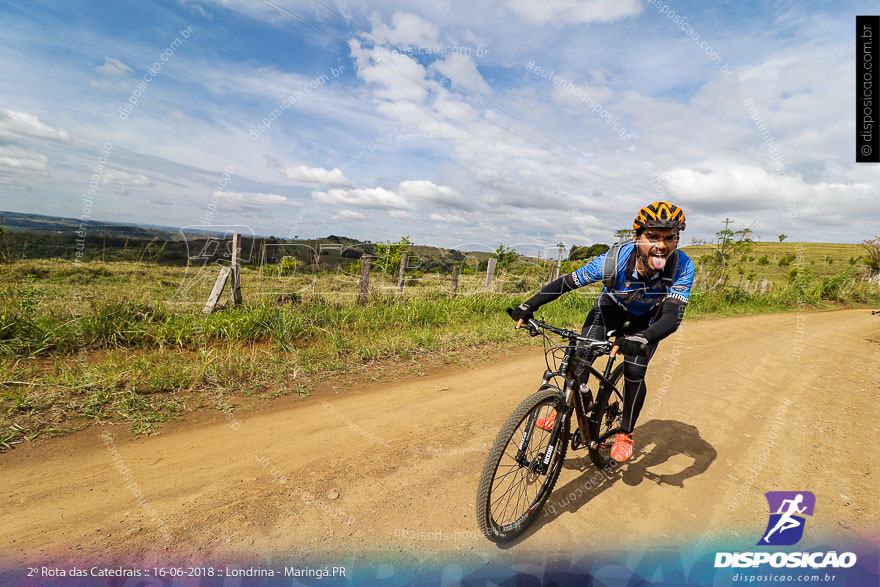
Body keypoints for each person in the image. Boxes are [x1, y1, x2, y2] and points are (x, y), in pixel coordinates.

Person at [509, 201, 694, 463]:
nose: (661, 245)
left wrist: (641, 338)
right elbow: (566, 283)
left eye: (669, 238)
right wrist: (528, 306)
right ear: (636, 237)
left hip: (648, 320)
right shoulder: (614, 259)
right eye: (652, 236)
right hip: (611, 308)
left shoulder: (682, 266)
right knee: (582, 354)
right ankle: (565, 407)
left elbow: (671, 318)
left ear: (676, 240)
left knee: (633, 370)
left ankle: (625, 433)